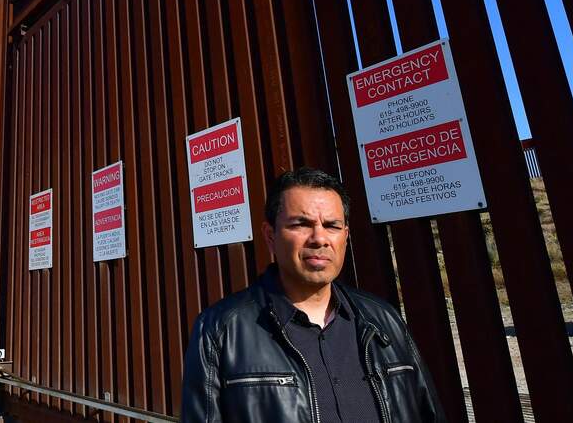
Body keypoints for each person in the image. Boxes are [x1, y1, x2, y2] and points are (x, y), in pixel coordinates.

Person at [180, 168, 445, 423]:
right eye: (301, 224)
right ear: (270, 236)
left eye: (332, 226)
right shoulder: (220, 329)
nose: (319, 238)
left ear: (345, 236)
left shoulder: (384, 320)